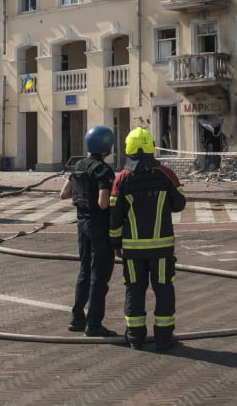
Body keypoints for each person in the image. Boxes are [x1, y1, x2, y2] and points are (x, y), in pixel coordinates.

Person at [110, 126, 186, 351]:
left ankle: (135, 337)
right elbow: (179, 203)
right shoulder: (166, 174)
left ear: (129, 148)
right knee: (163, 290)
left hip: (132, 250)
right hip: (161, 248)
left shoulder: (122, 179)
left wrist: (115, 243)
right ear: (151, 147)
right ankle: (163, 338)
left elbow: (115, 217)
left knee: (134, 289)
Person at [58, 125, 118, 337]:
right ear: (106, 148)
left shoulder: (78, 165)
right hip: (99, 225)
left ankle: (77, 318)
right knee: (99, 275)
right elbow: (103, 203)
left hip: (81, 224)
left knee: (84, 270)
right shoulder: (103, 170)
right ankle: (94, 324)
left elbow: (63, 194)